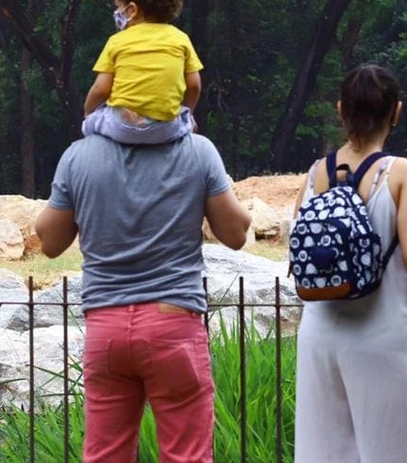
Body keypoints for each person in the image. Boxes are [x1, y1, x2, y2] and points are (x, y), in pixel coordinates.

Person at [292, 64, 407, 463]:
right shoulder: (401, 173)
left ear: (341, 110)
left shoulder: (313, 175)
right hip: (385, 337)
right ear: (396, 112)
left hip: (319, 339)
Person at [35, 131, 252, 462]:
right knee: (186, 456)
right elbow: (236, 234)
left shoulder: (78, 156)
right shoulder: (198, 150)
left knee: (105, 455)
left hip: (105, 325)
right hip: (173, 320)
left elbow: (50, 242)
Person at [82, 0, 202, 145]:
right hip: (165, 129)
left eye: (118, 6)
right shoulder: (181, 39)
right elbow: (194, 85)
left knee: (90, 122)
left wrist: (88, 111)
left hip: (123, 126)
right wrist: (188, 113)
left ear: (131, 10)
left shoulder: (117, 41)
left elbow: (101, 89)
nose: (116, 12)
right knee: (186, 119)